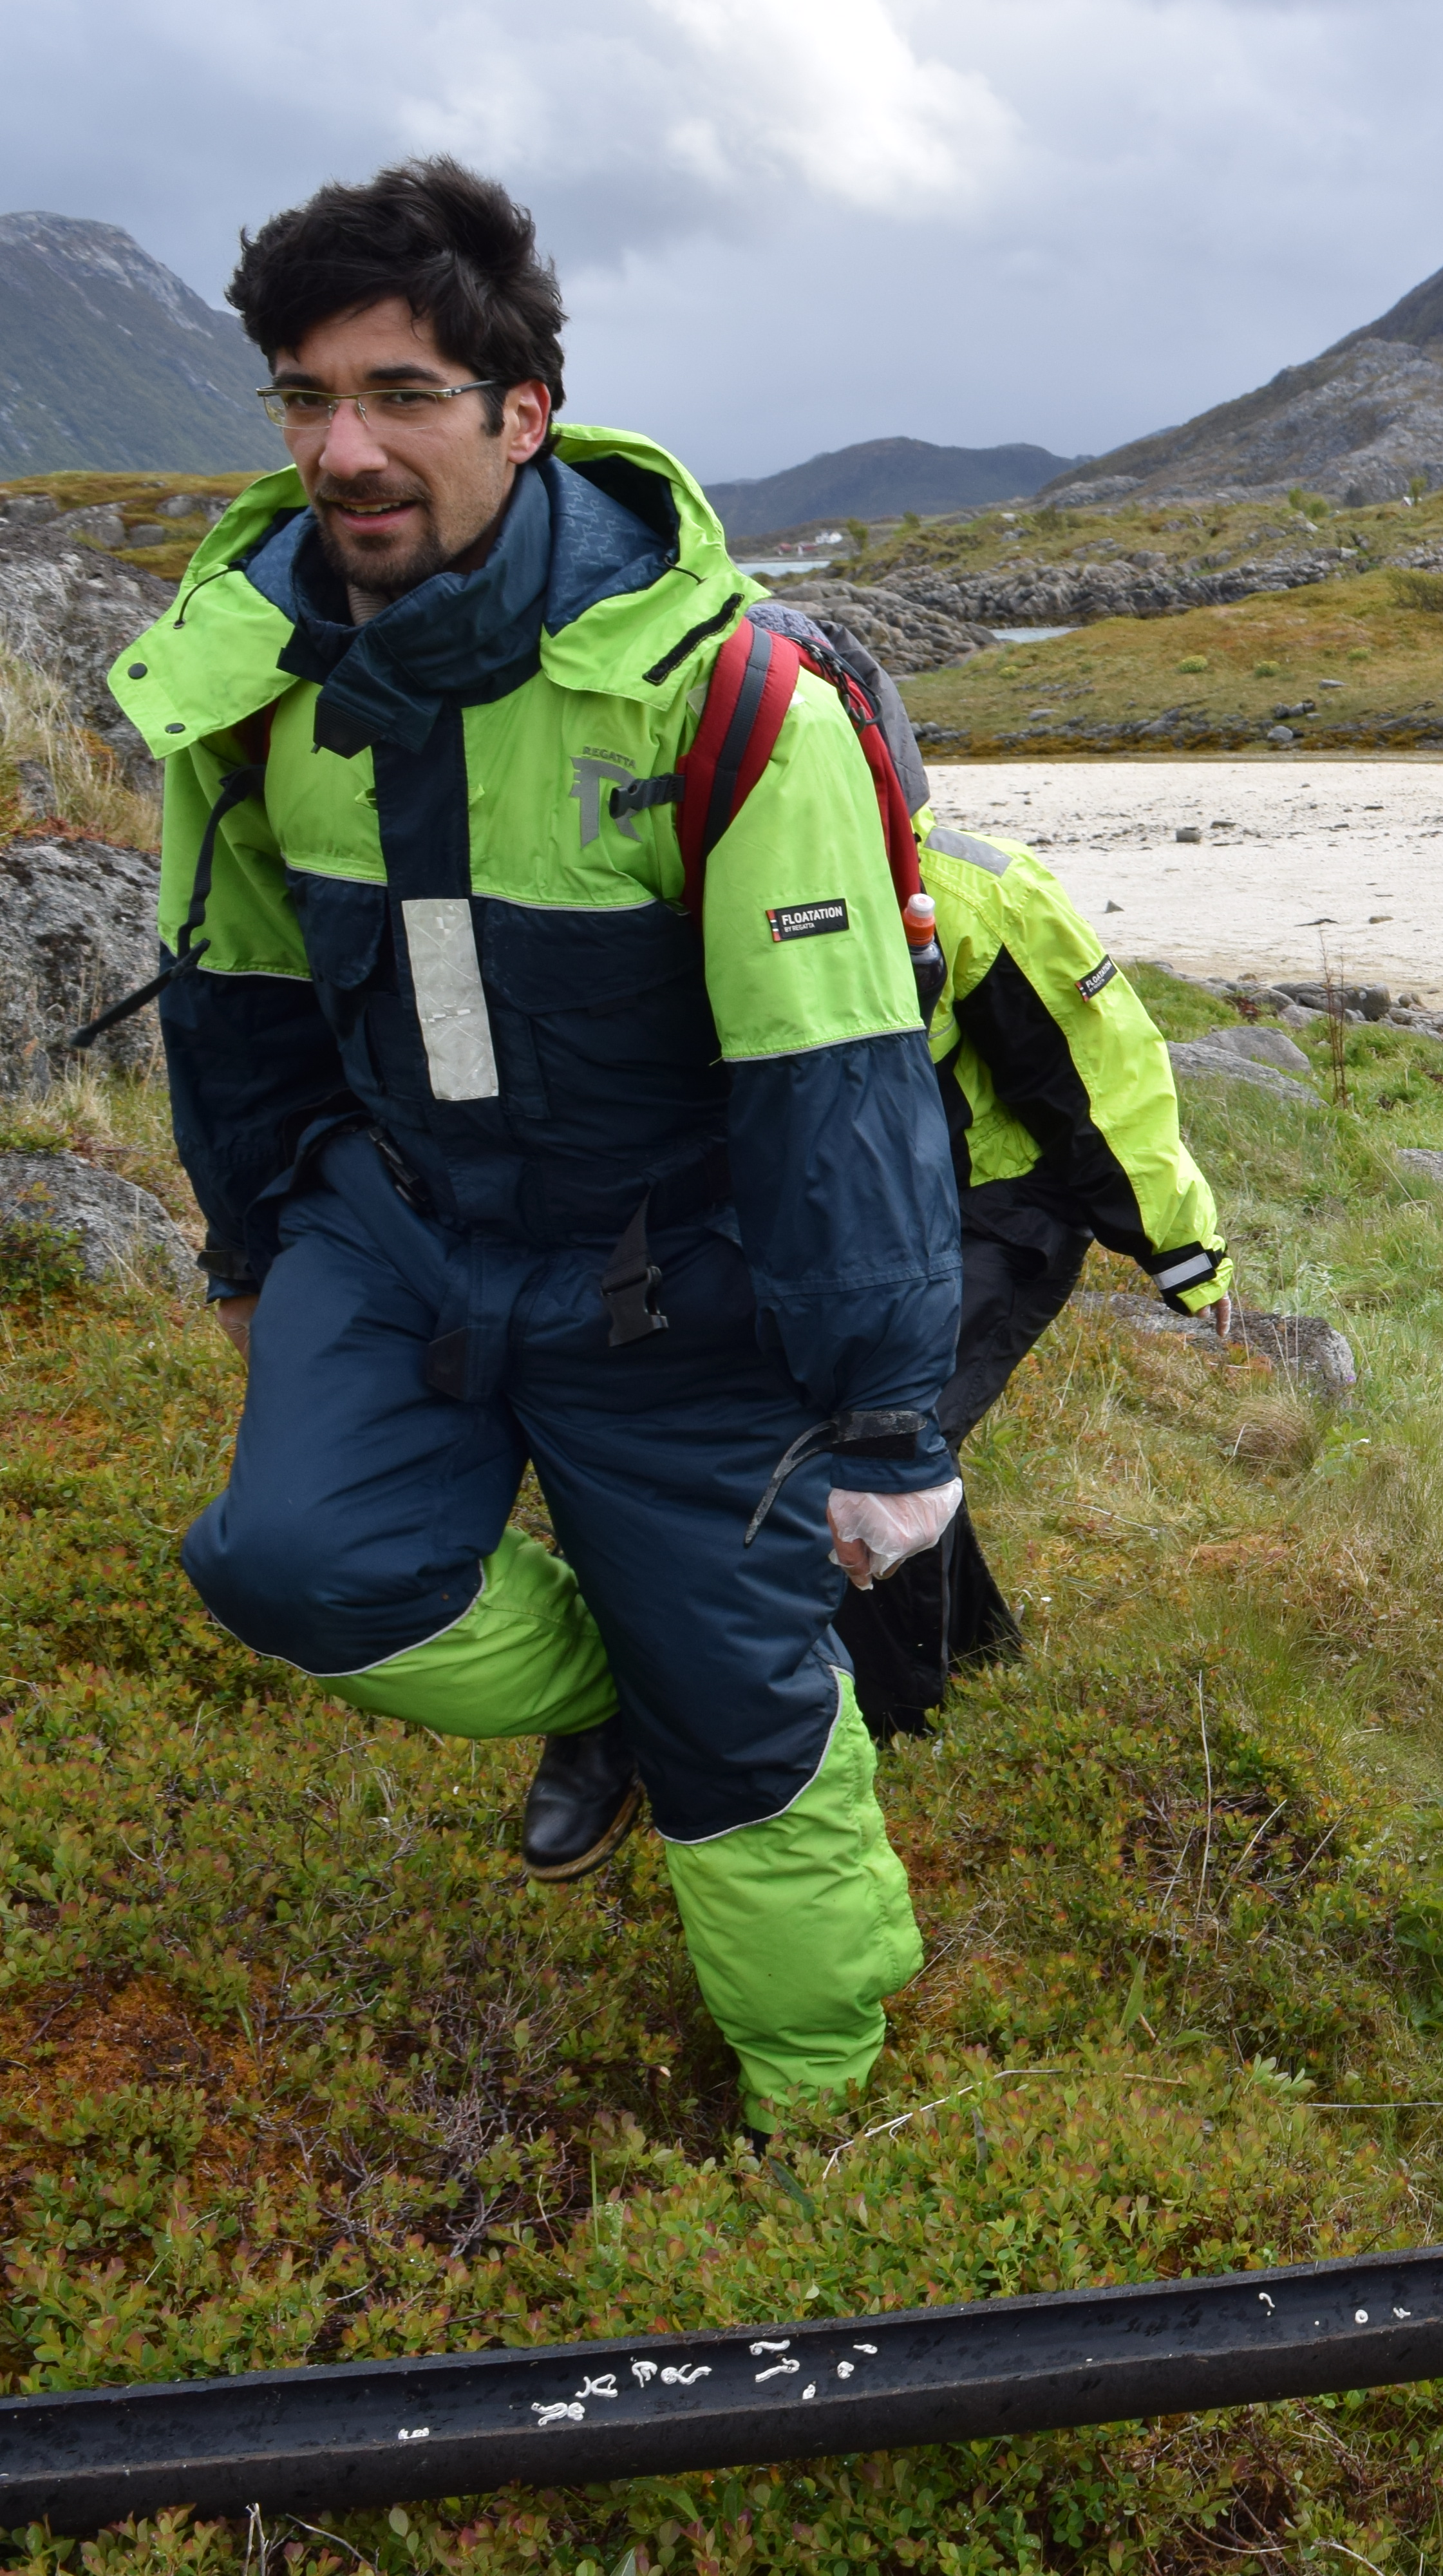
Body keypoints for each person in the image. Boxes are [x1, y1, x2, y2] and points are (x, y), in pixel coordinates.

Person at [110, 160, 965, 2125]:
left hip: (678, 1284)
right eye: (306, 399)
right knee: (294, 1570)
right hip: (399, 1235)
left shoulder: (732, 700)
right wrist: (253, 1255)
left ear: (523, 409)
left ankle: (818, 2109)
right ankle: (612, 1687)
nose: (345, 449)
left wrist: (889, 1429)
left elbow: (837, 1089)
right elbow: (238, 1005)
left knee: (753, 1747)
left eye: (401, 393)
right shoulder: (250, 684)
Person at [830, 810, 1233, 1737]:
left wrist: (1180, 1249)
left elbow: (1101, 1073)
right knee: (867, 1439)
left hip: (1002, 1213)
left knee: (885, 1445)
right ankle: (982, 1659)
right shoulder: (725, 861)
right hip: (855, 1222)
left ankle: (899, 1729)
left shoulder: (974, 886)